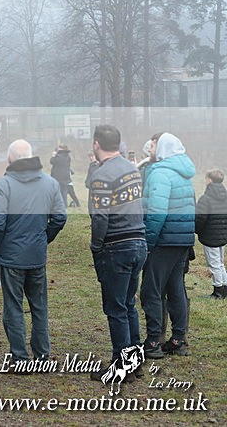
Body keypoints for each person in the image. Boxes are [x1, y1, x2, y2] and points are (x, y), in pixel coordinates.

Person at [0, 139, 66, 367]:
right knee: (39, 307)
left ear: (10, 159)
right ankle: (42, 356)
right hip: (36, 255)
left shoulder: (5, 184)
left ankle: (19, 358)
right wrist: (43, 238)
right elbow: (60, 217)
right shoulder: (50, 183)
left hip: (12, 257)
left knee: (13, 307)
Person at [87, 125, 147, 380]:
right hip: (138, 241)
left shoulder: (102, 176)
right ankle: (134, 362)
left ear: (96, 144)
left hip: (116, 245)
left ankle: (121, 366)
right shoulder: (133, 169)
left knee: (115, 308)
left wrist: (96, 245)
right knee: (129, 304)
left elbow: (100, 217)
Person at [141, 132, 196, 358]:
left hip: (163, 240)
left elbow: (156, 212)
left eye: (153, 144)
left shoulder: (161, 173)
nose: (149, 148)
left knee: (151, 290)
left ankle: (154, 341)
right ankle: (178, 339)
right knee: (176, 290)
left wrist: (148, 242)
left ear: (162, 147)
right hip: (182, 239)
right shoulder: (183, 173)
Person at [194, 169, 227, 299]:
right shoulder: (225, 196)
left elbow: (200, 218)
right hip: (222, 236)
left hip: (210, 236)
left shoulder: (205, 198)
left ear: (209, 180)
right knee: (220, 263)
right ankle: (224, 288)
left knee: (214, 264)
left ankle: (218, 292)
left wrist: (197, 230)